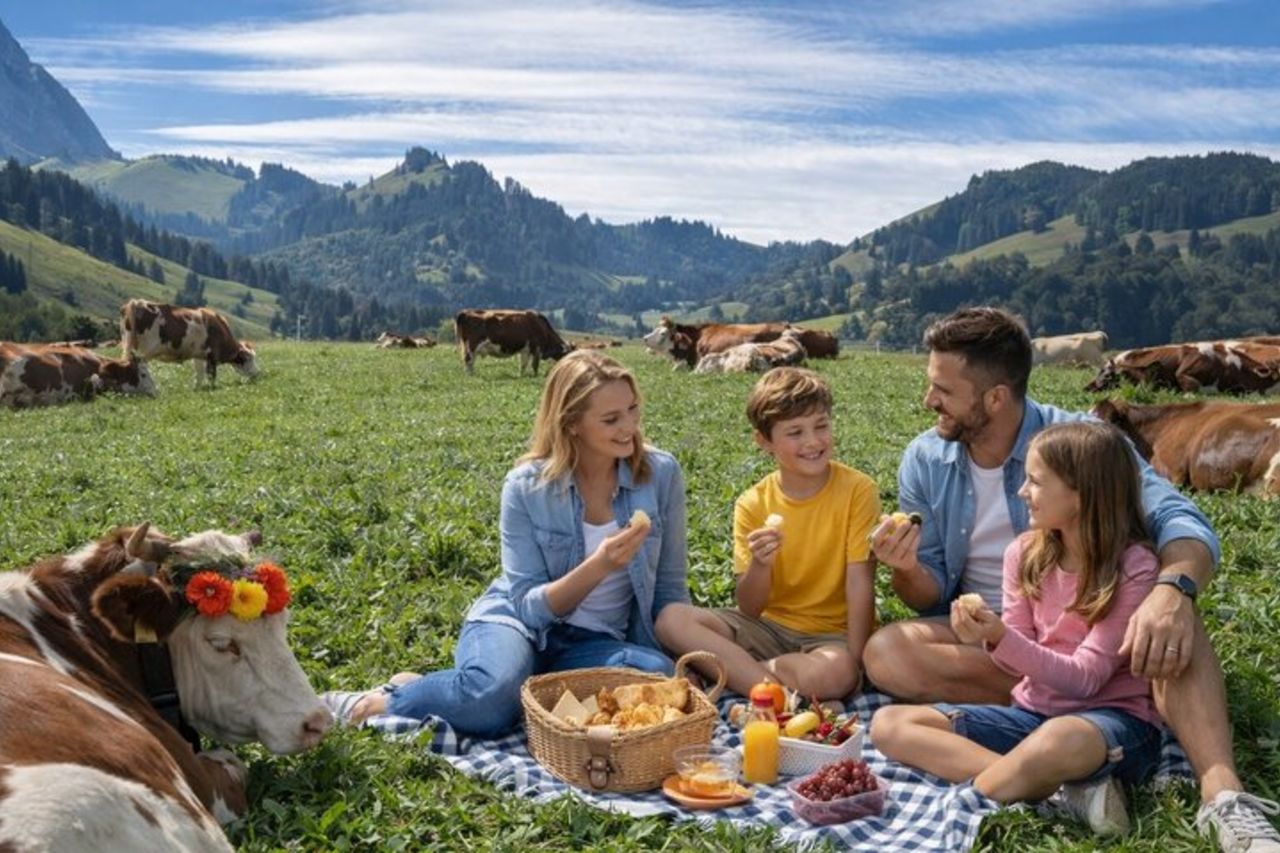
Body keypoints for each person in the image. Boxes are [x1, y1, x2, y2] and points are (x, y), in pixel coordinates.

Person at [865, 307, 1280, 851]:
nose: (928, 401)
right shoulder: (925, 458)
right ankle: (1065, 778)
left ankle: (1221, 792)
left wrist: (1171, 589)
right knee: (886, 652)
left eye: (942, 389)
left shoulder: (1082, 445)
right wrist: (907, 569)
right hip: (1006, 639)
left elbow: (1182, 522)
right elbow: (933, 594)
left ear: (995, 397)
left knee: (1175, 615)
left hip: (1100, 620)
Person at [348, 349, 690, 734]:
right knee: (489, 703)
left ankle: (504, 684)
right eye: (611, 419)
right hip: (518, 626)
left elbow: (669, 587)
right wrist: (599, 566)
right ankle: (394, 697)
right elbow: (528, 608)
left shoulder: (660, 473)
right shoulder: (527, 487)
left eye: (632, 409)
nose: (629, 426)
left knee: (655, 674)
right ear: (571, 423)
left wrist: (678, 654)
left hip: (594, 643)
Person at [872, 421, 1161, 835]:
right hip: (1031, 716)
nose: (1022, 491)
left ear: (1081, 493)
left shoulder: (1134, 567)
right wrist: (989, 637)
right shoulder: (1024, 553)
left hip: (1111, 724)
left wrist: (1000, 637)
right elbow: (1016, 666)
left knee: (1060, 739)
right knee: (889, 725)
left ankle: (965, 804)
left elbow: (1086, 680)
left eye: (1036, 481)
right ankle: (1062, 795)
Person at [656, 367, 878, 700]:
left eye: (821, 426)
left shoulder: (858, 491)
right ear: (764, 441)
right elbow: (750, 608)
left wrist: (858, 666)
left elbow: (861, 583)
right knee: (670, 620)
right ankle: (770, 687)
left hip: (829, 638)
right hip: (764, 630)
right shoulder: (752, 503)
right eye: (795, 432)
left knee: (838, 672)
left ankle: (743, 674)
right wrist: (760, 564)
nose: (813, 441)